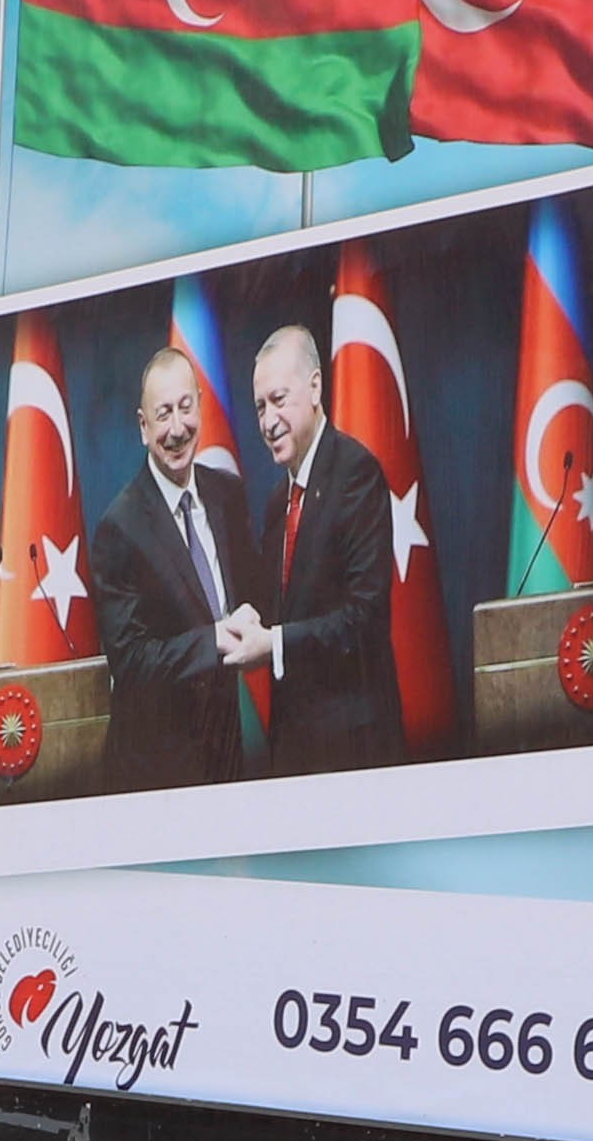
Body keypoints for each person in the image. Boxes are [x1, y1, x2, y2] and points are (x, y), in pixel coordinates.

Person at [81, 334, 258, 794]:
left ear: (201, 407)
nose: (177, 428)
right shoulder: (119, 527)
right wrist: (213, 639)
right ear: (143, 426)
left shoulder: (228, 494)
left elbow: (250, 595)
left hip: (228, 753)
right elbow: (132, 663)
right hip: (158, 768)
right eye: (163, 414)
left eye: (186, 408)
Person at [237, 324, 408, 775]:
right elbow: (284, 608)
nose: (268, 421)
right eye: (259, 407)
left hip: (354, 749)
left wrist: (272, 643)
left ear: (315, 387)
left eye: (278, 400)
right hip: (294, 750)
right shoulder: (279, 502)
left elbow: (364, 619)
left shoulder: (356, 473)